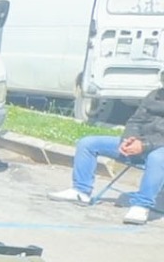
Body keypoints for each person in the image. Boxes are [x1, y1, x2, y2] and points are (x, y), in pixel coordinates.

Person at [49, 72, 164, 225]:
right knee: (88, 143)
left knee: (157, 158)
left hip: (157, 149)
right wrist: (129, 139)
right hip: (139, 144)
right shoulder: (154, 96)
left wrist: (144, 145)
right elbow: (135, 121)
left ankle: (142, 205)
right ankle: (81, 191)